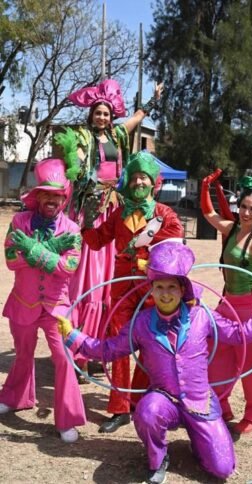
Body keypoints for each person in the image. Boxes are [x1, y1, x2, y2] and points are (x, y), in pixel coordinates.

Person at [56, 241, 252, 482]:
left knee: (223, 469)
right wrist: (73, 335)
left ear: (182, 289)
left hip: (200, 402)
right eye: (159, 287)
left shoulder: (202, 316)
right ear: (152, 290)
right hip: (163, 399)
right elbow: (108, 350)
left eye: (171, 287)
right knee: (147, 411)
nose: (165, 293)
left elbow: (239, 334)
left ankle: (199, 443)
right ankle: (158, 459)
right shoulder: (141, 323)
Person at [55, 79, 163, 383]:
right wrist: (74, 164)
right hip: (90, 213)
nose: (102, 117)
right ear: (90, 115)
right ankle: (79, 352)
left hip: (114, 207)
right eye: (97, 113)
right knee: (87, 282)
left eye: (105, 113)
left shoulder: (117, 134)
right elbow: (73, 162)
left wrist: (153, 101)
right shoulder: (81, 137)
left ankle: (103, 348)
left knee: (109, 282)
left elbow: (138, 118)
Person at [80, 152, 184, 433]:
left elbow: (176, 247)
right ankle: (119, 407)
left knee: (149, 342)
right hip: (121, 288)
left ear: (153, 184)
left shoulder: (165, 215)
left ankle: (139, 398)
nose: (138, 181)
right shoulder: (117, 215)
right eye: (135, 177)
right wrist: (86, 222)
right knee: (118, 343)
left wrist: (147, 258)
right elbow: (97, 241)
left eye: (144, 178)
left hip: (152, 288)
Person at [0, 158, 86, 442]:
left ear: (64, 197)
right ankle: (15, 398)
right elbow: (11, 260)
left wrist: (34, 249)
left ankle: (67, 418)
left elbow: (68, 268)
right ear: (37, 196)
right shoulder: (19, 221)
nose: (51, 198)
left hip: (56, 307)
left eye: (57, 194)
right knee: (23, 353)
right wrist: (50, 251)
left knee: (63, 358)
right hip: (23, 302)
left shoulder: (73, 230)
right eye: (46, 193)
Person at [201, 171, 252, 434]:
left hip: (251, 308)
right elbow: (208, 214)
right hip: (227, 304)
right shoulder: (232, 228)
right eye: (243, 207)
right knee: (217, 355)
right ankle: (222, 403)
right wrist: (206, 186)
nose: (246, 213)